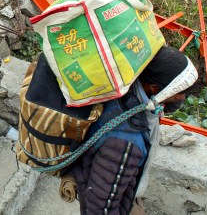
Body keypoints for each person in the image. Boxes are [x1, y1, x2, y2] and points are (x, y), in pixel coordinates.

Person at [67, 46, 197, 215]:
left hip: (123, 188)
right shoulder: (124, 144)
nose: (182, 98)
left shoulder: (134, 91)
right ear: (154, 88)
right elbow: (100, 207)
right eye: (179, 92)